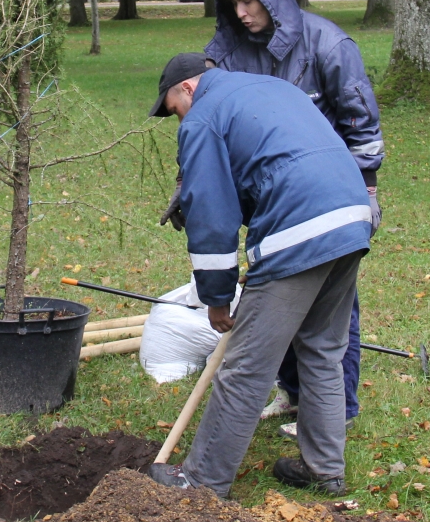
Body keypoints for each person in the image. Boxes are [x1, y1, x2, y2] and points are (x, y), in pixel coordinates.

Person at [148, 53, 371, 497]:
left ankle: (202, 480)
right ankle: (324, 469)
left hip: (302, 225)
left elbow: (213, 220)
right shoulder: (272, 87)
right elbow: (274, 162)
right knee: (322, 349)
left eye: (173, 109)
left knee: (246, 366)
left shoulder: (203, 119)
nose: (178, 121)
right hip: (352, 215)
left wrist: (216, 298)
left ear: (188, 89)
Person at [202, 0, 384, 434]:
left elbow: (360, 121)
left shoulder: (327, 44)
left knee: (329, 306)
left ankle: (335, 409)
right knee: (271, 298)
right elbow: (210, 119)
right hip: (266, 199)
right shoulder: (227, 52)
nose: (243, 13)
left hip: (325, 193)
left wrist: (366, 186)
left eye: (250, 2)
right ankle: (293, 393)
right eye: (234, 4)